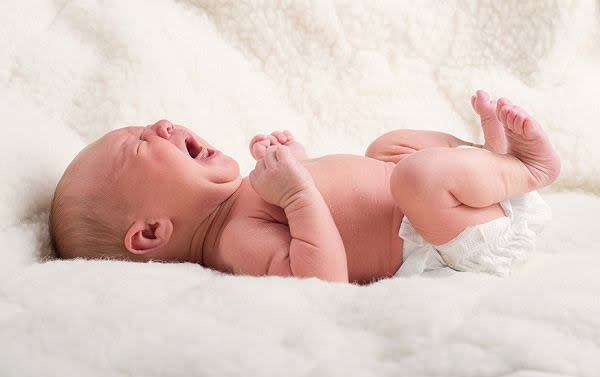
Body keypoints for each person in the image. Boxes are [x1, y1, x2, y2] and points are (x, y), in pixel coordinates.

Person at [49, 90, 560, 284]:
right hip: (448, 241)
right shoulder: (233, 240)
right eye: (140, 145)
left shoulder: (243, 196)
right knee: (414, 175)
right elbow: (320, 280)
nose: (160, 124)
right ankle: (530, 171)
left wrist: (297, 164)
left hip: (434, 205)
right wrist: (296, 192)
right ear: (153, 231)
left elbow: (335, 193)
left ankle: (489, 164)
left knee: (388, 147)